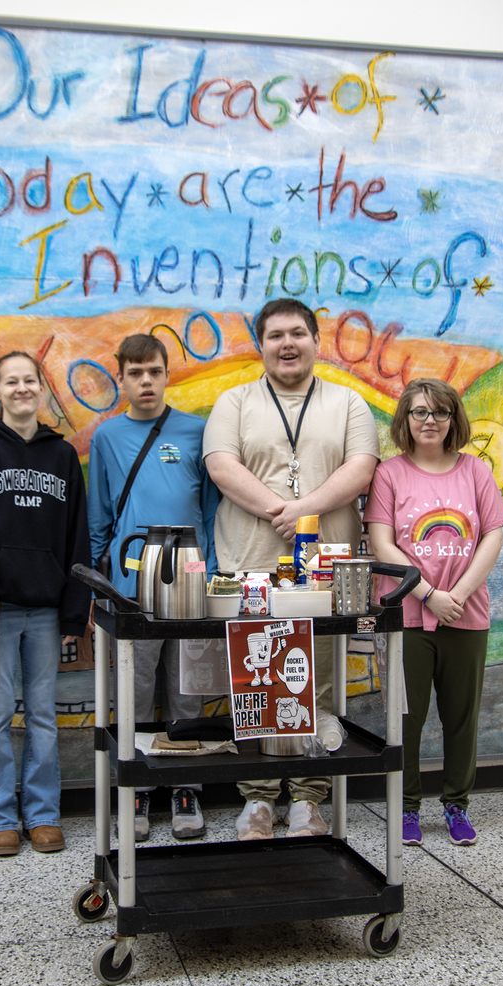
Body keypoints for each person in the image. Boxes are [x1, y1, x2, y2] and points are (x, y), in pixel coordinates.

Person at [203, 298, 379, 840]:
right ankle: (256, 799)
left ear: (315, 341)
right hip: (251, 564)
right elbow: (220, 465)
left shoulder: (348, 403)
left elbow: (362, 467)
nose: (287, 344)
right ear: (260, 345)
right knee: (255, 680)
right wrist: (280, 510)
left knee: (318, 682)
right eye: (275, 334)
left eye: (298, 333)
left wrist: (308, 509)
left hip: (324, 569)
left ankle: (308, 799)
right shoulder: (233, 401)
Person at [364, 378, 503, 847]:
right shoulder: (389, 474)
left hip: (465, 614)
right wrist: (428, 594)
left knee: (461, 715)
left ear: (454, 420)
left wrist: (458, 595)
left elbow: (493, 536)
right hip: (406, 612)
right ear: (405, 418)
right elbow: (382, 542)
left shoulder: (475, 471)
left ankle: (456, 804)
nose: (430, 421)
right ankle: (406, 807)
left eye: (440, 413)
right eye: (420, 412)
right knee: (405, 716)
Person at [0, 351, 91, 856]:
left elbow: (78, 536)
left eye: (28, 380)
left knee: (41, 715)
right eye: (10, 382)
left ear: (40, 388)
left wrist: (75, 611)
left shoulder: (62, 457)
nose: (20, 388)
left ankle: (42, 814)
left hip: (47, 610)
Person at [88, 334, 219, 842]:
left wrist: (209, 573)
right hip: (130, 586)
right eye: (135, 373)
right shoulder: (106, 437)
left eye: (155, 372)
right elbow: (100, 518)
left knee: (187, 689)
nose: (146, 381)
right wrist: (101, 590)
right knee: (136, 691)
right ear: (120, 377)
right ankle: (138, 792)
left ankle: (186, 789)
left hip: (189, 583)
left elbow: (209, 510)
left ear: (168, 375)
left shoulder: (195, 431)